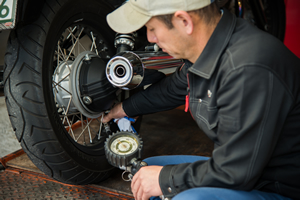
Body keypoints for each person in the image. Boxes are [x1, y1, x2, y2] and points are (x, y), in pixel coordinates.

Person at [103, 0, 300, 199]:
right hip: (250, 171)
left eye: (152, 28)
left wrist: (166, 180)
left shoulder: (248, 69)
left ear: (184, 21)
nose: (150, 38)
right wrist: (124, 108)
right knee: (147, 170)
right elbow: (172, 89)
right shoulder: (209, 49)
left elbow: (235, 171)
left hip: (278, 188)